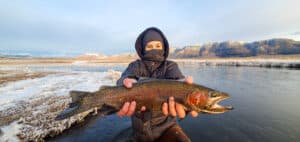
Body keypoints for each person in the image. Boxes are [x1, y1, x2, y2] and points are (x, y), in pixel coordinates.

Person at [116, 27, 198, 142]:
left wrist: (188, 104)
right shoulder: (135, 66)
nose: (154, 49)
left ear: (164, 48)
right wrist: (125, 82)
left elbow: (178, 82)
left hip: (167, 129)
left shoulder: (170, 66)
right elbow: (124, 78)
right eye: (149, 46)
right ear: (143, 49)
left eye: (158, 46)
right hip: (140, 132)